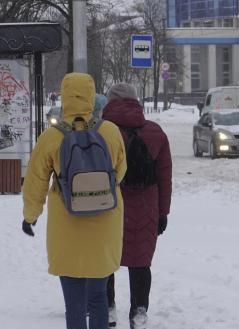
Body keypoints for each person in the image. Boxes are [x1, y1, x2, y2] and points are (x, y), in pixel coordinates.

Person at [22, 73, 127, 329]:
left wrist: (30, 216)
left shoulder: (51, 137)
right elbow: (121, 171)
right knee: (99, 297)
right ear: (91, 96)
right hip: (104, 222)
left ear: (65, 95)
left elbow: (35, 181)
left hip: (66, 223)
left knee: (74, 303)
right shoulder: (110, 131)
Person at [101, 83, 172, 329]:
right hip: (146, 206)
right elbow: (165, 177)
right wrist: (163, 213)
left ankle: (107, 308)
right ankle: (139, 312)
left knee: (105, 258)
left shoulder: (102, 132)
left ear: (110, 103)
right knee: (141, 260)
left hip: (108, 205)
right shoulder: (155, 132)